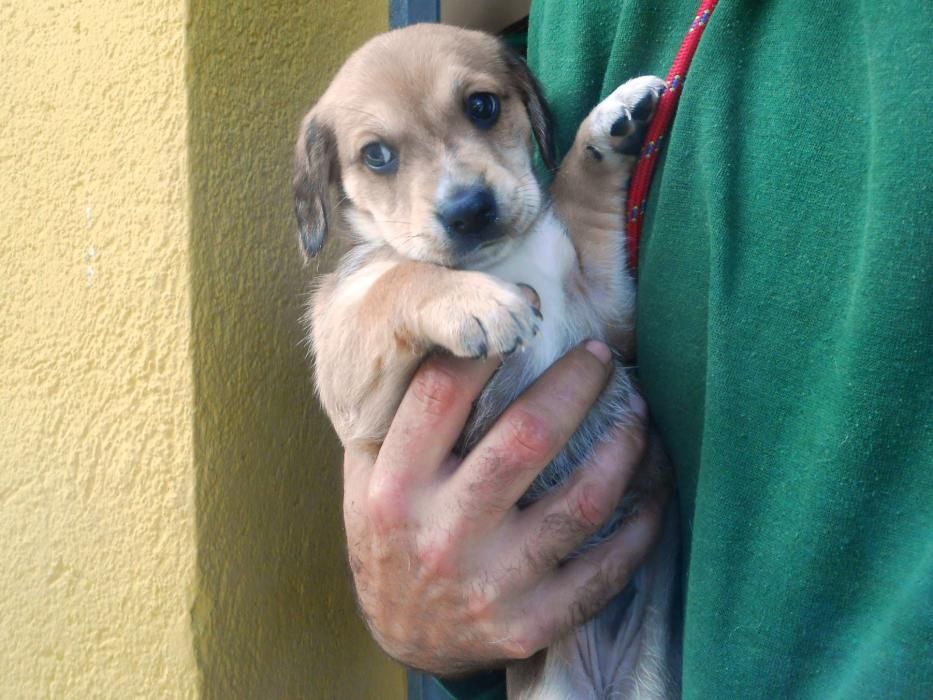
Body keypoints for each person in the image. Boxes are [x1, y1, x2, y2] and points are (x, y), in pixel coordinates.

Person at [342, 1, 933, 697]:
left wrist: (589, 178)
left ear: (526, 104)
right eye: (379, 157)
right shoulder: (381, 280)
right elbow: (356, 394)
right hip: (560, 642)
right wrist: (416, 300)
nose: (454, 191)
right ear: (322, 197)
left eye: (479, 108)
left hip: (672, 607)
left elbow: (601, 318)